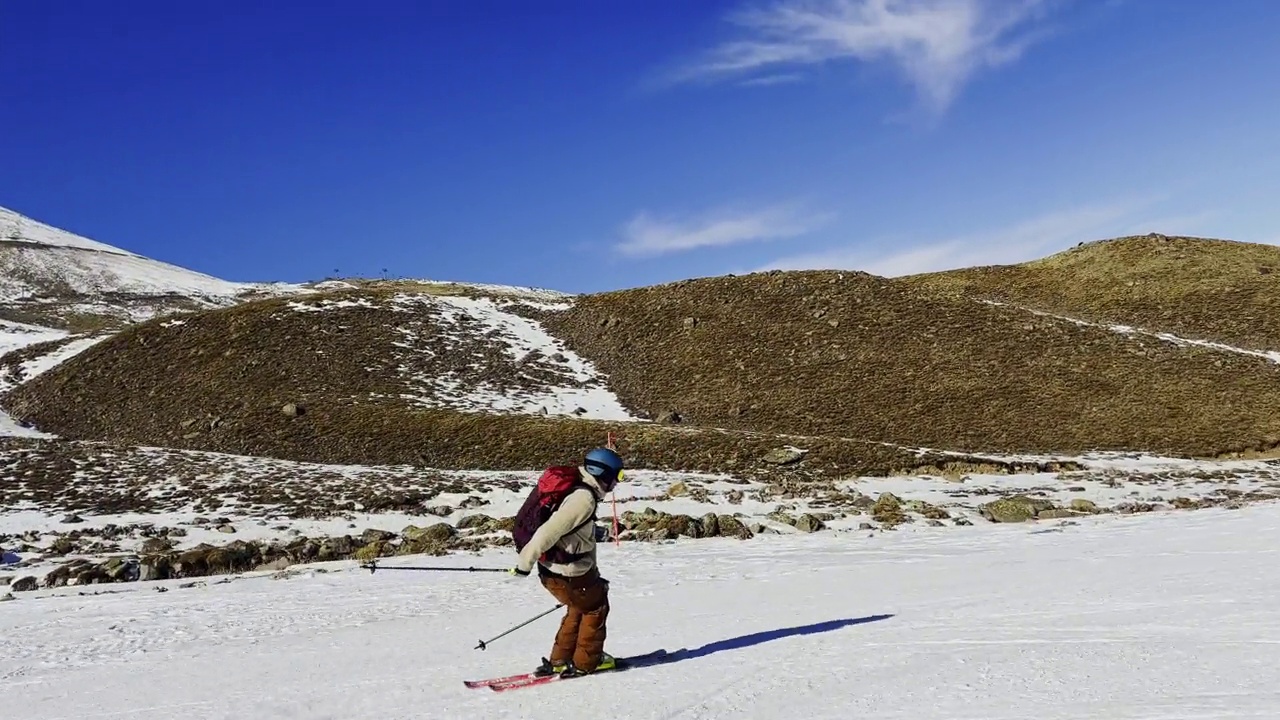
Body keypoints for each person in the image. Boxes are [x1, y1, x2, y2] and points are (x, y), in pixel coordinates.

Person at [510, 446, 624, 678]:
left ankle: (560, 661)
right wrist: (525, 563)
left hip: (553, 570)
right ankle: (587, 663)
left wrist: (599, 534)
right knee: (595, 607)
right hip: (570, 572)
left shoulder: (577, 487)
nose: (617, 483)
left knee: (578, 607)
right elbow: (547, 532)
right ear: (603, 473)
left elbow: (572, 527)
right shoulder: (583, 499)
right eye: (617, 476)